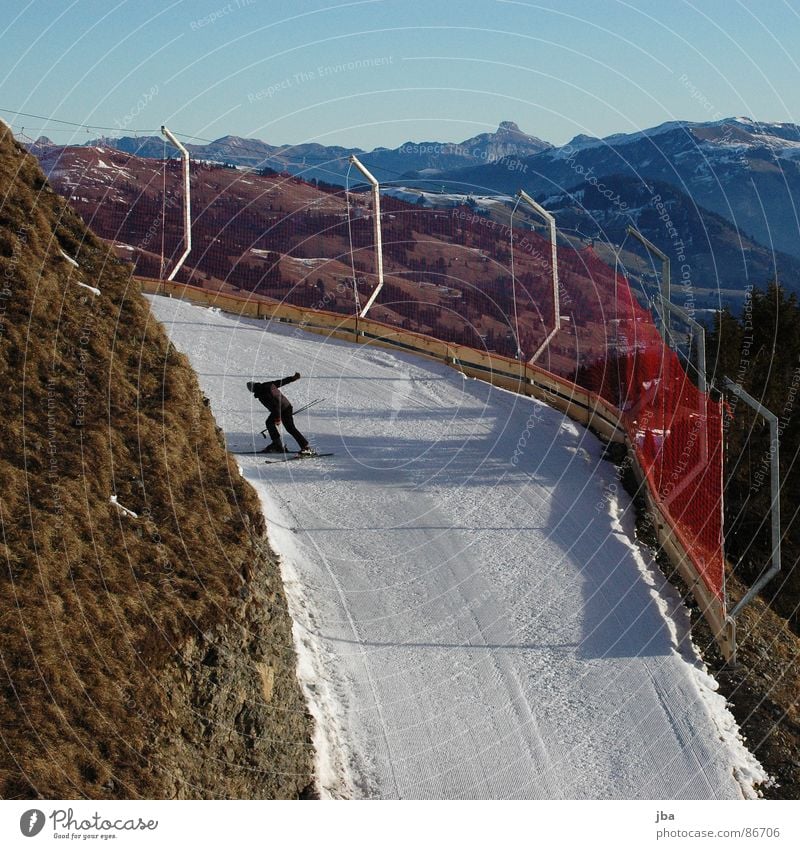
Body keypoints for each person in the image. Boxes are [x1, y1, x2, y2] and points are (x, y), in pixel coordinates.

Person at [247, 373, 314, 454]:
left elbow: (276, 405)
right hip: (285, 407)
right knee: (270, 423)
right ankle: (277, 444)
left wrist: (278, 418)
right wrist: (292, 378)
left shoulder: (263, 393)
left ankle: (306, 447)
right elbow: (281, 382)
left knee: (290, 428)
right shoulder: (267, 385)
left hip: (283, 409)